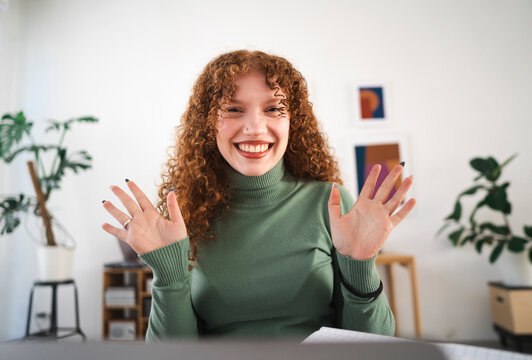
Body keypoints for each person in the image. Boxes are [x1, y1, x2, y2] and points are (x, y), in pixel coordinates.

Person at [101, 50, 416, 341]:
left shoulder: (331, 204)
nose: (254, 127)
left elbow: (373, 345)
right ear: (209, 123)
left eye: (273, 108)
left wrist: (360, 264)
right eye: (234, 109)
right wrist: (168, 276)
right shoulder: (183, 216)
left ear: (294, 120)